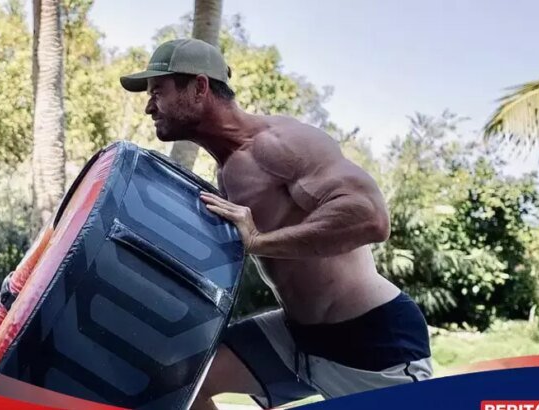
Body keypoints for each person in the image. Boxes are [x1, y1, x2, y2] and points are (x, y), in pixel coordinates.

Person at [120, 38, 432, 410]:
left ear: (199, 87)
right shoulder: (227, 169)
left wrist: (259, 241)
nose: (148, 106)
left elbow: (370, 217)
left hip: (370, 338)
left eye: (158, 92)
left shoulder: (277, 143)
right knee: (173, 377)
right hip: (295, 336)